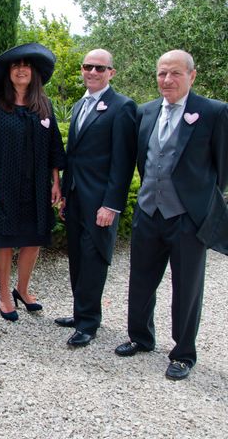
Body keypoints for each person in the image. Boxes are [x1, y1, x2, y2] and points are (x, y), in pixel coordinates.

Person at [115, 50, 228, 380]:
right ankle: (140, 336)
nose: (167, 79)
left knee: (187, 287)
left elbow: (222, 171)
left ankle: (183, 354)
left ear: (192, 76)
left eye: (175, 73)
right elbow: (144, 161)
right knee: (141, 279)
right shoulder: (145, 111)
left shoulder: (213, 112)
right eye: (162, 73)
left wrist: (199, 206)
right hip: (149, 211)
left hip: (187, 218)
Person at [0, 43, 65, 322]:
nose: (21, 69)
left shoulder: (44, 105)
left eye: (26, 65)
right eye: (16, 65)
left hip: (37, 185)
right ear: (9, 73)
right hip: (4, 184)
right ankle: (3, 294)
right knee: (3, 240)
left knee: (33, 239)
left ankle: (22, 289)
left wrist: (56, 182)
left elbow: (54, 148)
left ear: (34, 72)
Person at [55, 49, 137, 347]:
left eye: (99, 68)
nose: (92, 72)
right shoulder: (79, 106)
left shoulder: (122, 107)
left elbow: (123, 162)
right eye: (88, 66)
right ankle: (80, 313)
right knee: (77, 259)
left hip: (100, 202)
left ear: (111, 72)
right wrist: (65, 194)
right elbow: (73, 156)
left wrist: (111, 205)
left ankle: (89, 323)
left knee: (93, 260)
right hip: (76, 198)